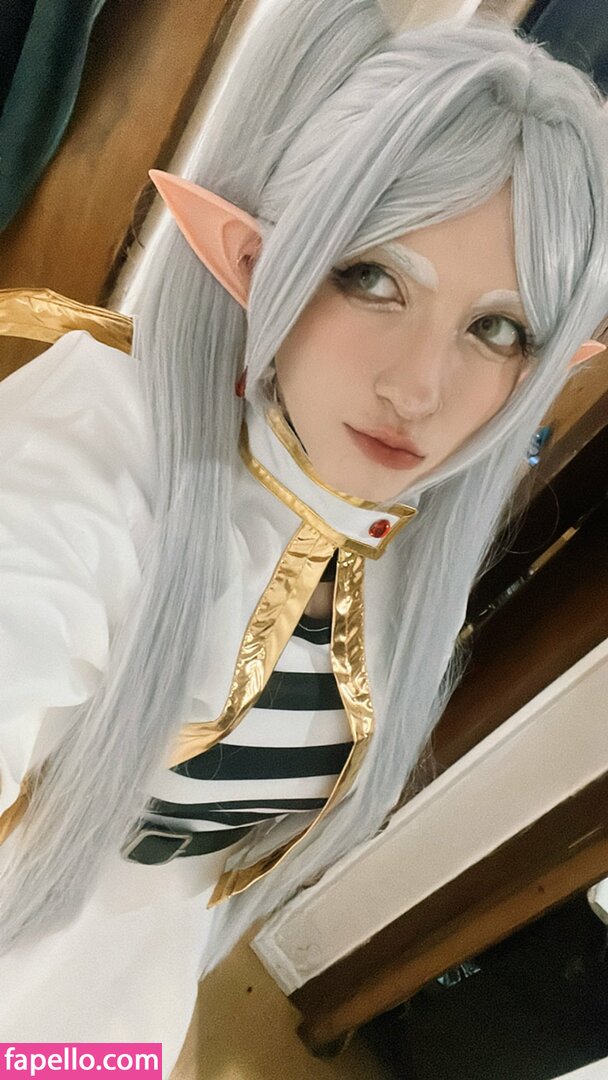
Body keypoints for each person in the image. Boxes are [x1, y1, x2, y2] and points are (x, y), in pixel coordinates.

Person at [0, 0, 606, 1074]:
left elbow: (186, 890)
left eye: (496, 328)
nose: (417, 388)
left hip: (112, 1005)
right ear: (252, 255)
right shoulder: (97, 449)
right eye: (372, 276)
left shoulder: (401, 536)